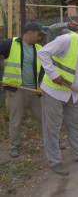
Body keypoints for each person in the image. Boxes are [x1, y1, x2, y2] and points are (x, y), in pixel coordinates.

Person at [37, 21, 78, 176]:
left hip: (74, 94)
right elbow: (42, 53)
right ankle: (55, 162)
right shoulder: (67, 40)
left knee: (75, 125)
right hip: (54, 91)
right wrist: (53, 74)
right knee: (52, 129)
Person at [0, 22, 46, 158]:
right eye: (38, 35)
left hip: (35, 92)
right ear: (30, 33)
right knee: (16, 121)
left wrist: (42, 80)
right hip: (16, 91)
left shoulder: (39, 48)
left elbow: (43, 68)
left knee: (44, 119)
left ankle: (51, 142)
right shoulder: (10, 44)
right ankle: (14, 146)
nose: (39, 38)